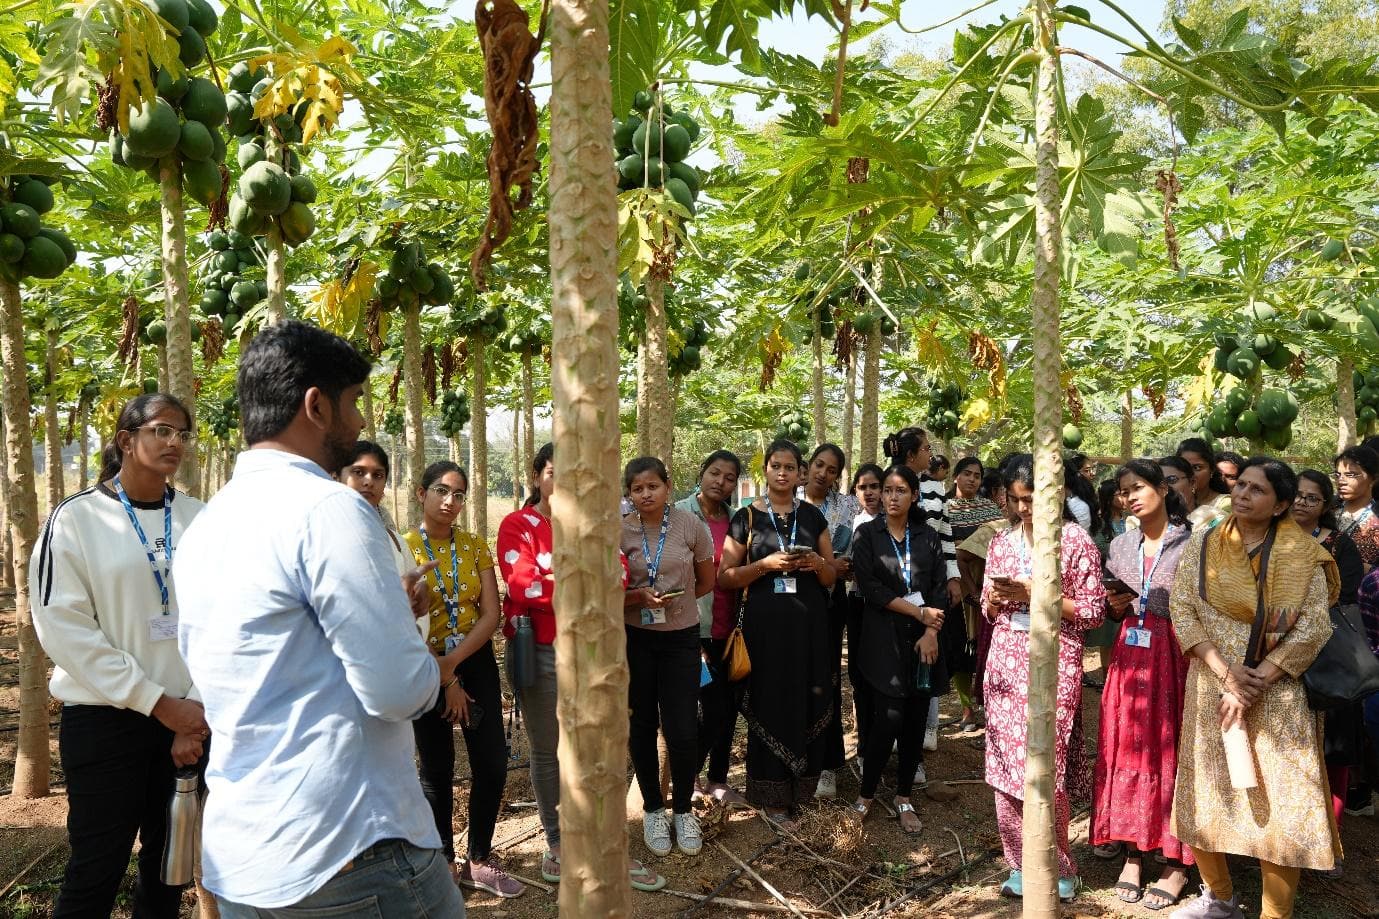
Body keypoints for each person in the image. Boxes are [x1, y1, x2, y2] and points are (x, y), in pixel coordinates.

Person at [175, 321, 462, 917]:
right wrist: (428, 660)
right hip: (349, 850)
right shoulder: (330, 509)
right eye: (354, 402)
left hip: (245, 853)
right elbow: (398, 689)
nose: (360, 423)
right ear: (316, 405)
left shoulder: (206, 523)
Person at [31, 393, 208, 919]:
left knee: (169, 868)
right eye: (161, 430)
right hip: (107, 721)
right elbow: (62, 627)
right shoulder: (76, 519)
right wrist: (155, 702)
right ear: (126, 440)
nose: (174, 442)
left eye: (182, 433)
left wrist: (191, 711)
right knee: (96, 869)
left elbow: (225, 619)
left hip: (189, 722)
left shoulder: (201, 518)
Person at [1167, 457, 1340, 919]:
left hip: (1278, 695)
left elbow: (1313, 627)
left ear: (1281, 503)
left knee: (1284, 803)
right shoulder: (1205, 544)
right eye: (1240, 485)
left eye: (1257, 490)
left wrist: (1260, 677)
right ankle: (1220, 898)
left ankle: (1274, 914)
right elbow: (1183, 608)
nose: (1242, 494)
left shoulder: (1303, 556)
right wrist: (1224, 672)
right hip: (1211, 686)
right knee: (1205, 792)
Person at [496, 444, 666, 892]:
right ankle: (558, 846)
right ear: (537, 476)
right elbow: (523, 585)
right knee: (549, 749)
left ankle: (609, 845)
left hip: (595, 652)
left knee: (598, 746)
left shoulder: (596, 524)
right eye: (554, 472)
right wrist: (584, 581)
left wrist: (573, 581)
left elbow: (619, 574)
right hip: (543, 652)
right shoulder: (518, 525)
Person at [981, 454, 1106, 901]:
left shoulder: (1074, 542)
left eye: (1032, 499)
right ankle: (1018, 861)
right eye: (1016, 500)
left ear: (1058, 494)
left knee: (1042, 766)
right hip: (1005, 661)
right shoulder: (1001, 541)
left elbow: (1091, 612)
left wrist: (1036, 591)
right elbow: (987, 608)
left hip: (1053, 660)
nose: (1023, 509)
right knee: (1004, 767)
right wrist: (997, 599)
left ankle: (1059, 868)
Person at [402, 461, 523, 897]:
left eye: (459, 494)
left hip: (473, 659)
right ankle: (443, 863)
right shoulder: (403, 547)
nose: (450, 502)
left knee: (491, 761)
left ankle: (480, 857)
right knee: (436, 769)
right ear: (421, 494)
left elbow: (491, 613)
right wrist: (442, 671)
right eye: (441, 491)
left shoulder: (474, 545)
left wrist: (454, 664)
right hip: (423, 664)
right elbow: (398, 618)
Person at [718, 439, 836, 830]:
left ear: (800, 473)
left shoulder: (814, 517)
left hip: (810, 627)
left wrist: (818, 562)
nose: (783, 473)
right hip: (765, 630)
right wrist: (765, 565)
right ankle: (771, 796)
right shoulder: (744, 518)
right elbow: (726, 576)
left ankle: (804, 790)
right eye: (776, 466)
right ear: (765, 471)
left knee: (808, 697)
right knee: (772, 701)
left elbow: (831, 576)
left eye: (790, 467)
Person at [1092, 460, 1193, 908]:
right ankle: (1133, 851)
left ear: (1163, 490)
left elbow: (1201, 608)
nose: (1130, 496)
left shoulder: (1193, 543)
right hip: (1129, 658)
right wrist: (1117, 603)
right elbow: (1114, 611)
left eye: (1139, 487)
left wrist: (1154, 599)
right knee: (1128, 746)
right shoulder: (1119, 544)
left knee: (1169, 748)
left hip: (1176, 658)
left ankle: (1176, 863)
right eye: (1123, 490)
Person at [622, 457, 716, 857]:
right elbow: (608, 589)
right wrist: (638, 599)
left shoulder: (690, 525)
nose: (646, 494)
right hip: (635, 638)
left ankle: (682, 810)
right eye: (637, 488)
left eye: (653, 486)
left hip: (681, 638)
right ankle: (653, 810)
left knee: (681, 728)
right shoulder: (619, 530)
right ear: (629, 493)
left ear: (668, 485)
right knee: (641, 724)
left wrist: (674, 606)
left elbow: (707, 578)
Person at [849, 464, 948, 834]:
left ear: (914, 496)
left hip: (925, 639)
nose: (891, 497)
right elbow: (871, 588)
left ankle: (903, 795)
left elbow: (939, 588)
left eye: (900, 490)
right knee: (886, 718)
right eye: (887, 490)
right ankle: (866, 795)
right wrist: (918, 611)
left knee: (915, 718)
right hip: (882, 637)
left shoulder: (927, 536)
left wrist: (931, 631)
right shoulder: (867, 535)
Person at [1293, 468, 1365, 874]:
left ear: (1325, 505)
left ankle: (1330, 843)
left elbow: (1347, 596)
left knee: (1332, 752)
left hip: (1329, 658)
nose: (1303, 503)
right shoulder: (1271, 539)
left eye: (1312, 498)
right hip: (1278, 659)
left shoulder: (1339, 544)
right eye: (1298, 496)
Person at [885, 427, 961, 771]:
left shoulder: (934, 487)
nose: (931, 453)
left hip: (928, 589)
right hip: (891, 593)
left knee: (925, 661)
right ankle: (889, 743)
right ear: (911, 453)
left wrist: (953, 575)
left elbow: (944, 533)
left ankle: (919, 739)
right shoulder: (888, 483)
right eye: (926, 448)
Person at [677, 450, 747, 807]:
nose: (721, 482)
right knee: (704, 709)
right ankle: (687, 777)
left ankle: (719, 780)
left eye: (729, 477)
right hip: (692, 627)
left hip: (730, 629)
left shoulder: (738, 519)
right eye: (715, 473)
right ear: (702, 473)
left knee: (728, 709)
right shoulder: (678, 515)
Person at [800, 443, 860, 799]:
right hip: (789, 601)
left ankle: (826, 766)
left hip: (831, 602)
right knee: (795, 679)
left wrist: (836, 567)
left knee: (828, 679)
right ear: (807, 466)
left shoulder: (847, 507)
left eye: (832, 469)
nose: (823, 473)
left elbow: (849, 560)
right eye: (819, 465)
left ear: (839, 476)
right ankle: (795, 759)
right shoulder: (784, 500)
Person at [945, 457, 1004, 730]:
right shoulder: (944, 509)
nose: (971, 479)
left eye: (977, 475)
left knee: (986, 646)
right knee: (960, 649)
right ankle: (967, 708)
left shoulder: (991, 508)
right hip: (956, 586)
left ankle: (988, 706)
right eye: (966, 474)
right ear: (955, 477)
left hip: (987, 588)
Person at [847, 463, 885, 760]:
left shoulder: (898, 522)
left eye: (875, 486)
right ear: (855, 492)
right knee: (860, 675)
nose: (870, 492)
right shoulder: (851, 524)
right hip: (859, 604)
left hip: (891, 607)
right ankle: (864, 745)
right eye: (863, 487)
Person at [337, 439, 409, 573]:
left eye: (378, 475)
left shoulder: (396, 543)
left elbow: (415, 587)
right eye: (358, 472)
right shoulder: (316, 536)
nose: (369, 482)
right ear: (336, 477)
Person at [1333, 445, 1379, 569]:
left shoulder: (1376, 517)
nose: (1341, 481)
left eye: (1351, 475)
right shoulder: (1327, 509)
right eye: (1337, 475)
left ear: (1373, 479)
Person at [1178, 438, 1232, 517]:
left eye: (1197, 468)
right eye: (1184, 467)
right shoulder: (1171, 503)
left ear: (1212, 470)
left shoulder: (1225, 505)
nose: (1190, 474)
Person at [1065, 454, 1100, 533]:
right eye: (1086, 470)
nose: (1092, 473)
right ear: (1075, 474)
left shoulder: (1087, 496)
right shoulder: (1072, 499)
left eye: (1092, 469)